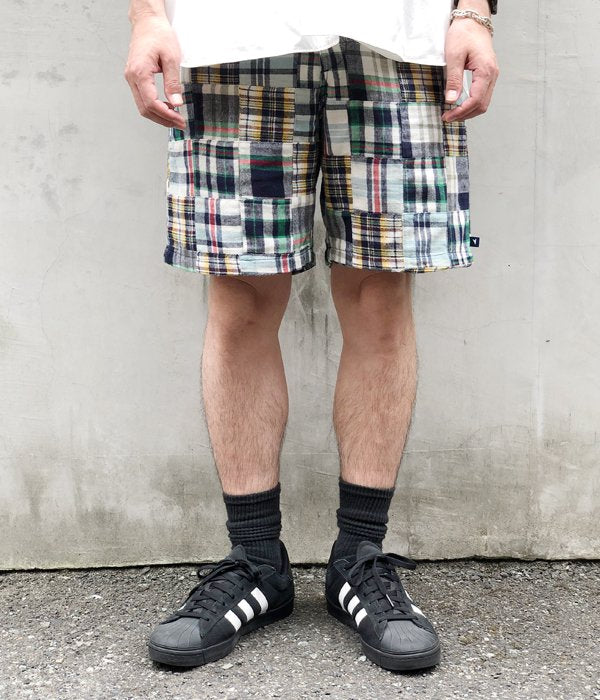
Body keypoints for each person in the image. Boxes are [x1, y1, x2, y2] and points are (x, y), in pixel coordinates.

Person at [124, 0, 499, 672]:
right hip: (232, 39)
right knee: (240, 294)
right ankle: (255, 561)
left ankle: (359, 557)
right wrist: (148, 16)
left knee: (381, 292)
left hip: (401, 42)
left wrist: (473, 13)